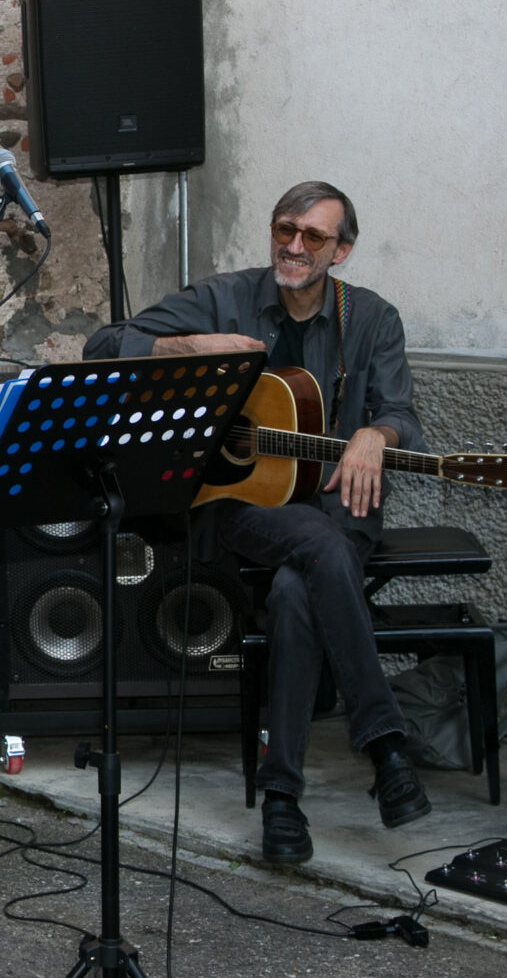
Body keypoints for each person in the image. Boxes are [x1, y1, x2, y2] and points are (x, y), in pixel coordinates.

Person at [83, 181, 430, 864]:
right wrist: (189, 345)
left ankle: (281, 799)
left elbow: (403, 416)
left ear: (341, 251)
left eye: (313, 236)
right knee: (316, 552)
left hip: (338, 507)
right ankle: (385, 745)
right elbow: (103, 345)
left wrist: (376, 435)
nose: (293, 246)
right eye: (283, 229)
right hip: (241, 507)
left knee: (298, 589)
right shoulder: (226, 298)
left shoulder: (372, 319)